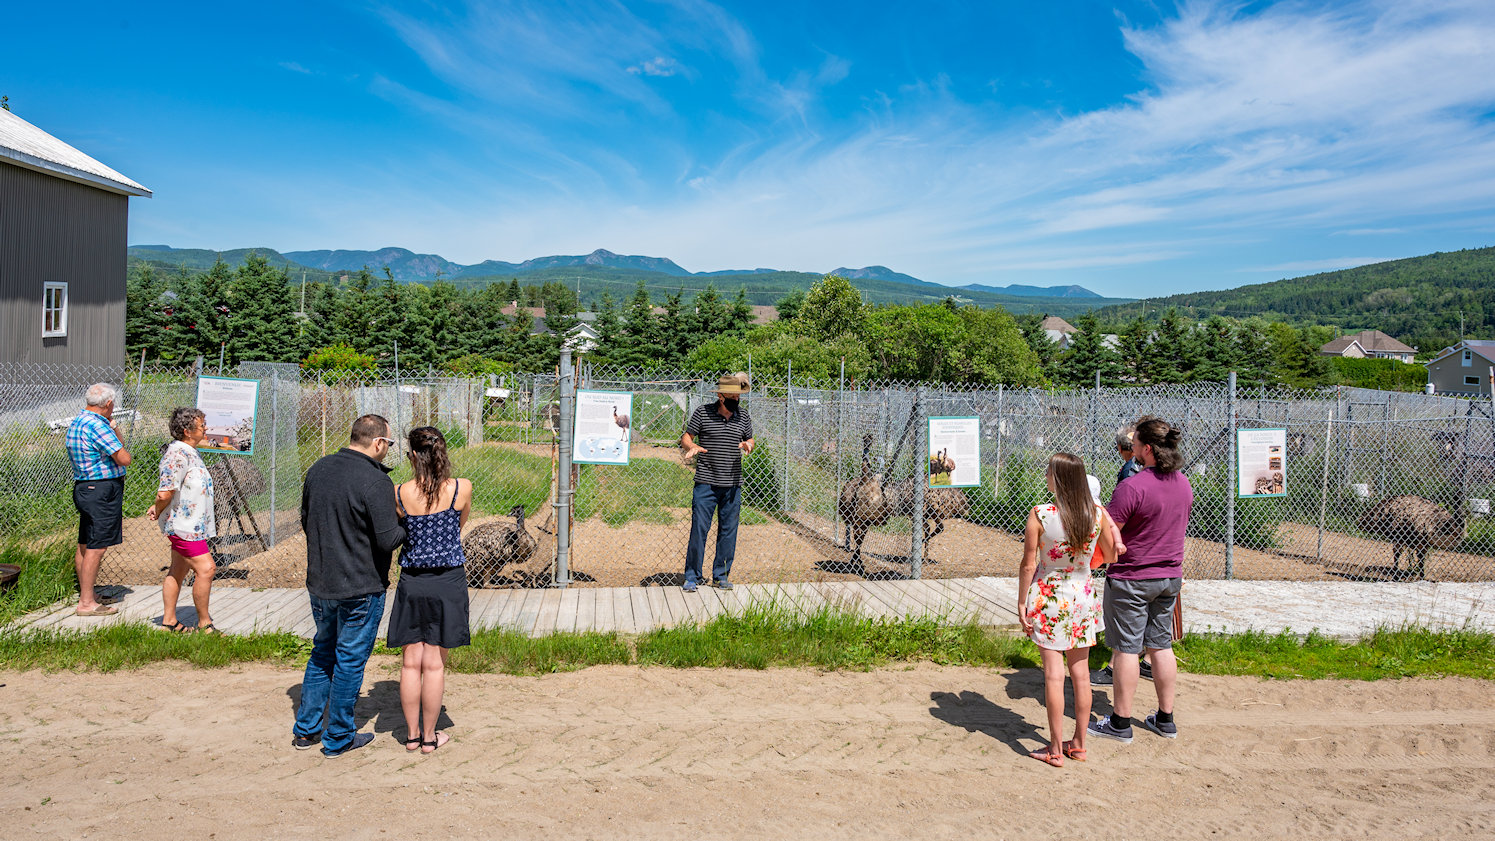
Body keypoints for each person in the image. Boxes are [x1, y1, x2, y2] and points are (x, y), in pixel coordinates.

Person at [293, 414, 407, 757]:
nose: (387, 449)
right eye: (388, 443)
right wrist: (409, 524)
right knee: (349, 660)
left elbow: (305, 518)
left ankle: (306, 729)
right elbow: (388, 540)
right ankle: (339, 736)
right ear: (377, 443)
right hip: (361, 585)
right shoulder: (375, 482)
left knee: (322, 652)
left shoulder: (319, 469)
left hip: (321, 582)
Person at [1088, 415, 1192, 744]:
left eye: (1134, 445)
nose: (1130, 449)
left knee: (1126, 650)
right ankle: (1165, 718)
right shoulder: (1184, 483)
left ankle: (1120, 723)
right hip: (1169, 577)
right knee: (1160, 645)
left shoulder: (1132, 487)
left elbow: (1107, 530)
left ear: (1147, 449)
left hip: (1133, 577)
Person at [1019, 453, 1118, 767]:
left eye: (1049, 471)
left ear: (1058, 478)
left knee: (1053, 675)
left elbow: (1028, 564)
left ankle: (1054, 749)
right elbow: (1113, 554)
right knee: (1081, 674)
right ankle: (1078, 743)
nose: (1046, 475)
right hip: (1082, 597)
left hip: (1048, 597)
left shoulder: (1040, 514)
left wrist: (1021, 601)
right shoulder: (1097, 514)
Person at [388, 426, 473, 754]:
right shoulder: (460, 489)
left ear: (411, 455)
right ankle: (429, 736)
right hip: (447, 581)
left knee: (411, 662)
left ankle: (411, 736)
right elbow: (458, 526)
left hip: (412, 582)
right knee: (435, 664)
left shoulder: (399, 494)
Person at [146, 407, 219, 633]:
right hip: (183, 526)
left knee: (178, 569)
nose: (205, 429)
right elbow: (164, 492)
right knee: (206, 569)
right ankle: (205, 625)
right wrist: (158, 509)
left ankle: (169, 622)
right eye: (201, 426)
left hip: (192, 525)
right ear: (187, 431)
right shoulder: (176, 454)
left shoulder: (189, 451)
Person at [680, 374, 755, 592]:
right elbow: (687, 437)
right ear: (721, 396)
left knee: (728, 531)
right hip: (706, 482)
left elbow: (750, 438)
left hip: (732, 484)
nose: (736, 399)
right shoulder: (703, 412)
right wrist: (690, 447)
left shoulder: (743, 417)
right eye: (732, 396)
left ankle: (721, 576)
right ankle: (692, 576)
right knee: (699, 530)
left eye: (738, 396)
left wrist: (749, 445)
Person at [65, 383, 132, 616]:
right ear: (109, 404)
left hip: (84, 487)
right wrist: (115, 428)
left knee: (85, 542)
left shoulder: (79, 421)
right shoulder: (98, 426)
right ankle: (86, 604)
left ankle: (88, 593)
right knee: (97, 547)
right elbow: (124, 457)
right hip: (102, 490)